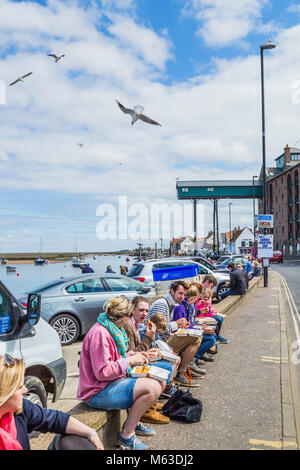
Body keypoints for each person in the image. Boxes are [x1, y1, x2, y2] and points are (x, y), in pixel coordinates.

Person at [77, 297, 166, 450]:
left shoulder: (110, 327)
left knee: (160, 380)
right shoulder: (100, 334)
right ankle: (126, 435)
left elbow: (117, 358)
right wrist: (130, 362)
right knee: (152, 388)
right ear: (124, 317)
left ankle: (135, 422)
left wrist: (132, 356)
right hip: (97, 391)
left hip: (109, 383)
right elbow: (102, 372)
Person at [0, 354, 103, 451]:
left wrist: (91, 433)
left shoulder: (19, 409)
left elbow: (56, 419)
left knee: (70, 439)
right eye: (19, 387)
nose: (25, 390)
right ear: (4, 394)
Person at [146, 281, 203, 388]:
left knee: (196, 337)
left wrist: (179, 326)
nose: (182, 297)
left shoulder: (170, 303)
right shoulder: (162, 304)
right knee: (196, 338)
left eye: (184, 295)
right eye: (180, 293)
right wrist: (177, 324)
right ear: (172, 291)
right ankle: (181, 372)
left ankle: (185, 369)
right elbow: (160, 329)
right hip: (157, 341)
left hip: (162, 339)